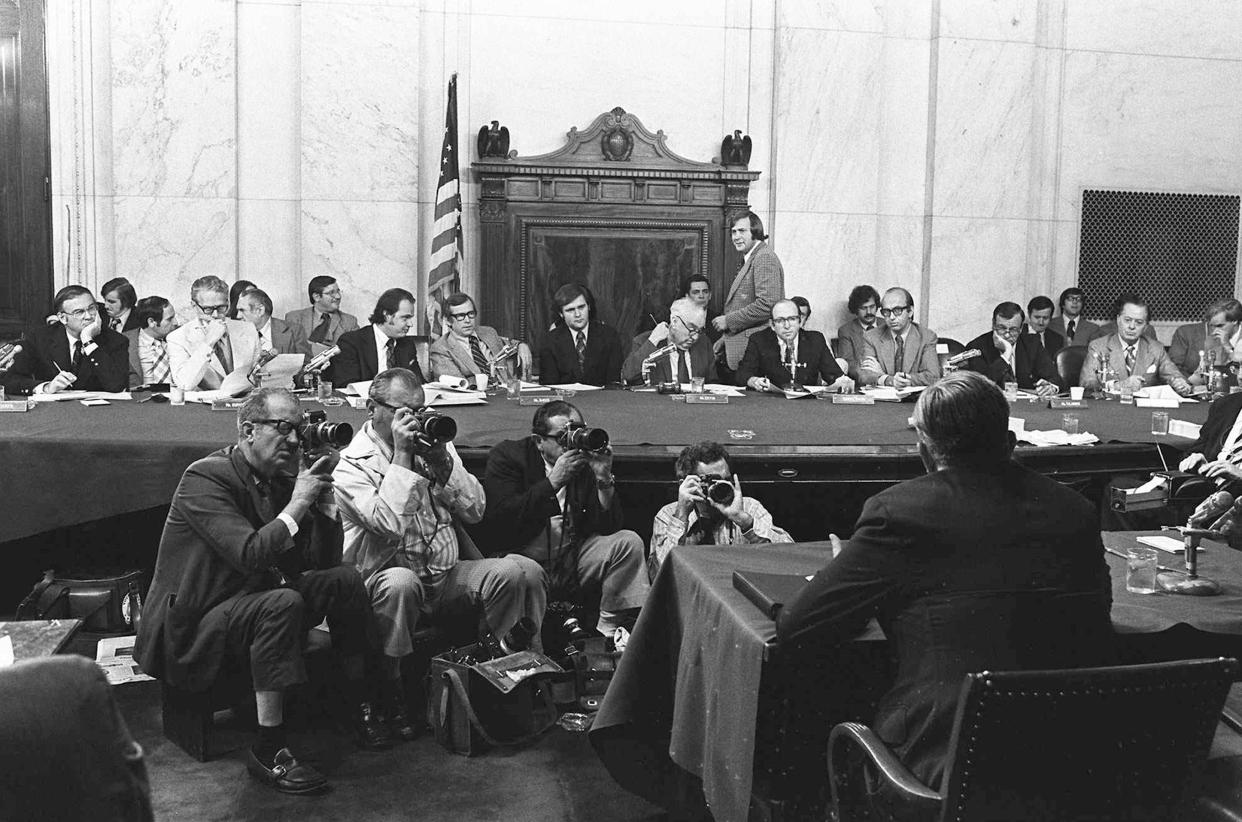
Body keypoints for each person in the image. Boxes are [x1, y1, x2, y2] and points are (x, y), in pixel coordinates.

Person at [776, 371, 1113, 791]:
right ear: (1007, 441)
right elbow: (1098, 613)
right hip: (1069, 759)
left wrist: (851, 577)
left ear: (925, 451)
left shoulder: (898, 512)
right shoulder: (1076, 510)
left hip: (944, 764)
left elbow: (798, 626)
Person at [134, 388, 387, 795]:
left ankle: (358, 704)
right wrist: (298, 503)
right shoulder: (205, 477)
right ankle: (269, 749)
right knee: (282, 601)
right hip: (194, 624)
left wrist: (322, 501)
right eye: (284, 428)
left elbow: (321, 563)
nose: (293, 440)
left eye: (300, 430)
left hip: (248, 602)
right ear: (249, 430)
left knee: (344, 579)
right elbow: (249, 554)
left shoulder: (282, 479)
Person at [333, 369, 547, 739]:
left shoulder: (436, 446)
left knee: (513, 572)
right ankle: (389, 693)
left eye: (421, 409)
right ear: (373, 409)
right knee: (401, 583)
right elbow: (388, 525)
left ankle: (500, 680)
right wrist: (401, 455)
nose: (416, 420)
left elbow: (477, 510)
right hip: (385, 579)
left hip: (446, 574)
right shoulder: (351, 464)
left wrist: (444, 467)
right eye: (405, 412)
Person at [480, 400, 649, 636]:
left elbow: (608, 526)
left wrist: (603, 478)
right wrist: (553, 483)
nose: (573, 441)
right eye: (563, 436)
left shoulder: (585, 460)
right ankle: (530, 655)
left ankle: (608, 632)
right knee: (527, 570)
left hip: (571, 558)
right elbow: (502, 520)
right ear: (539, 441)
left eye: (578, 431)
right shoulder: (509, 456)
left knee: (628, 542)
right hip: (524, 556)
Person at [648, 441, 791, 577]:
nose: (722, 486)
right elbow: (660, 577)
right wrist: (682, 515)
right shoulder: (668, 515)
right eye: (712, 481)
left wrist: (744, 521)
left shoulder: (749, 508)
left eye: (726, 480)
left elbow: (790, 558)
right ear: (686, 483)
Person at [0, 285, 129, 396]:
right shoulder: (40, 338)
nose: (89, 316)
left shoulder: (116, 340)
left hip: (97, 416)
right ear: (62, 318)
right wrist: (46, 387)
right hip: (52, 414)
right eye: (79, 312)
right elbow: (10, 379)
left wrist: (88, 342)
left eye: (92, 308)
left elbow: (117, 385)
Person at [712, 211, 785, 378]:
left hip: (756, 351)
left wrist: (728, 321)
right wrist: (727, 338)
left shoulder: (764, 257)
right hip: (744, 346)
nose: (736, 236)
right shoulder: (753, 257)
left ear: (756, 231)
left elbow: (768, 305)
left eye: (742, 231)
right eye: (733, 232)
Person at [1079, 294, 1191, 396]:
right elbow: (1086, 384)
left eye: (1139, 322)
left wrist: (1179, 382)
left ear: (1146, 326)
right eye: (1127, 320)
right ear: (1118, 320)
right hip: (1110, 409)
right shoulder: (1099, 347)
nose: (1132, 326)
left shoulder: (1156, 348)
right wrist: (1119, 385)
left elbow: (1173, 374)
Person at [166, 275, 261, 391]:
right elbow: (185, 384)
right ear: (194, 306)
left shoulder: (248, 329)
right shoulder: (177, 338)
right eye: (208, 309)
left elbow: (259, 377)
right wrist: (208, 342)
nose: (216, 315)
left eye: (221, 308)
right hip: (202, 406)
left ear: (228, 303)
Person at [737, 299, 853, 393]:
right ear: (772, 325)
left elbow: (833, 374)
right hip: (771, 403)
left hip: (807, 405)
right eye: (780, 320)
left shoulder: (815, 340)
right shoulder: (759, 340)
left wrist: (842, 381)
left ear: (800, 321)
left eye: (792, 319)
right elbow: (742, 374)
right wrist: (753, 381)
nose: (787, 326)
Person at [963, 301, 1061, 397]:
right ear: (993, 324)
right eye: (1001, 328)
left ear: (1021, 328)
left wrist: (1051, 387)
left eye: (1013, 329)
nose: (1007, 334)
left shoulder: (1032, 344)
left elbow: (1055, 378)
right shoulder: (977, 347)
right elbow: (980, 385)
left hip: (1026, 407)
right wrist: (1006, 355)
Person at [428, 292, 532, 381]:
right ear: (448, 321)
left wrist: (521, 345)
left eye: (471, 314)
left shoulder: (488, 333)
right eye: (460, 316)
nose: (467, 320)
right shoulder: (440, 349)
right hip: (474, 399)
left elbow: (508, 345)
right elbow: (457, 385)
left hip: (506, 394)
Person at [331, 288, 426, 386]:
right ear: (387, 315)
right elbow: (347, 386)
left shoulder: (407, 345)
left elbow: (418, 383)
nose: (410, 324)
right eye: (405, 318)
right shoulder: (351, 342)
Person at [537, 282, 623, 386]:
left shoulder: (609, 336)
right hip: (566, 400)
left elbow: (614, 382)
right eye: (570, 310)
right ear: (561, 314)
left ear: (589, 307)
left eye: (581, 307)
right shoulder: (550, 341)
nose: (577, 314)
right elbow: (549, 385)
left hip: (602, 400)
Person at [858, 287, 941, 388]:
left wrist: (902, 380)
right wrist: (889, 380)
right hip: (883, 401)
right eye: (886, 312)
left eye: (897, 311)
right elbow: (864, 375)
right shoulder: (871, 337)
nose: (891, 317)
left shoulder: (927, 337)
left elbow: (933, 377)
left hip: (913, 401)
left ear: (910, 311)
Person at [621, 297, 715, 385]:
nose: (695, 337)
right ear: (674, 321)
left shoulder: (704, 343)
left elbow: (713, 384)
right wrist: (653, 341)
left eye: (699, 331)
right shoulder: (645, 341)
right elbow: (628, 376)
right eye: (691, 329)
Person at [1170, 298, 1242, 384]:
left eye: (1220, 326)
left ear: (1234, 321)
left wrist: (1227, 346)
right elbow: (1173, 368)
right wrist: (1188, 385)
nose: (1214, 331)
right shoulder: (1186, 333)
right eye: (1211, 326)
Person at [284, 276, 360, 347]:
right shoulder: (294, 318)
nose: (338, 296)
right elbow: (288, 349)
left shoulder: (350, 322)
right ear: (317, 297)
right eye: (331, 293)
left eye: (338, 291)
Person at [237, 289, 312, 359]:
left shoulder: (294, 331)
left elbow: (306, 366)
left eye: (242, 310)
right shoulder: (236, 335)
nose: (238, 316)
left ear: (260, 310)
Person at [124, 295, 178, 388]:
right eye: (170, 319)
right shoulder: (124, 341)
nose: (176, 322)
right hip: (140, 399)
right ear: (151, 322)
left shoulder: (180, 337)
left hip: (176, 398)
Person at [836, 285, 881, 382]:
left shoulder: (887, 325)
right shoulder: (846, 331)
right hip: (863, 381)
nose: (869, 312)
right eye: (863, 308)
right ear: (855, 309)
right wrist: (871, 378)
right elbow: (848, 363)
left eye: (872, 307)